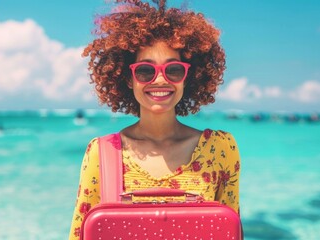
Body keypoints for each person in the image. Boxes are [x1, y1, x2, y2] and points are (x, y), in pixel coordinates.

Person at [69, 0, 241, 239]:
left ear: (187, 76)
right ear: (129, 79)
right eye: (145, 71)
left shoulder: (221, 149)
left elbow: (230, 231)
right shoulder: (101, 153)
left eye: (173, 70)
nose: (160, 80)